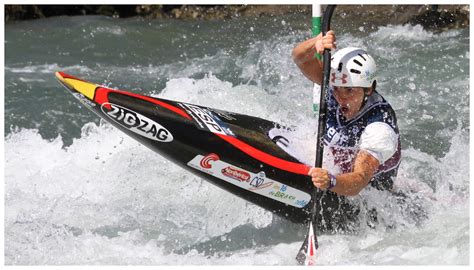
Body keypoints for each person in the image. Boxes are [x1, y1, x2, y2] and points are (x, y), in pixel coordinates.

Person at [292, 31, 401, 232]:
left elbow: (359, 181)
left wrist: (330, 181)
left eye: (349, 90)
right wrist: (316, 42)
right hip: (336, 175)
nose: (341, 97)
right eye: (337, 89)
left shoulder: (379, 126)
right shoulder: (332, 87)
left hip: (369, 198)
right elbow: (300, 57)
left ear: (368, 89)